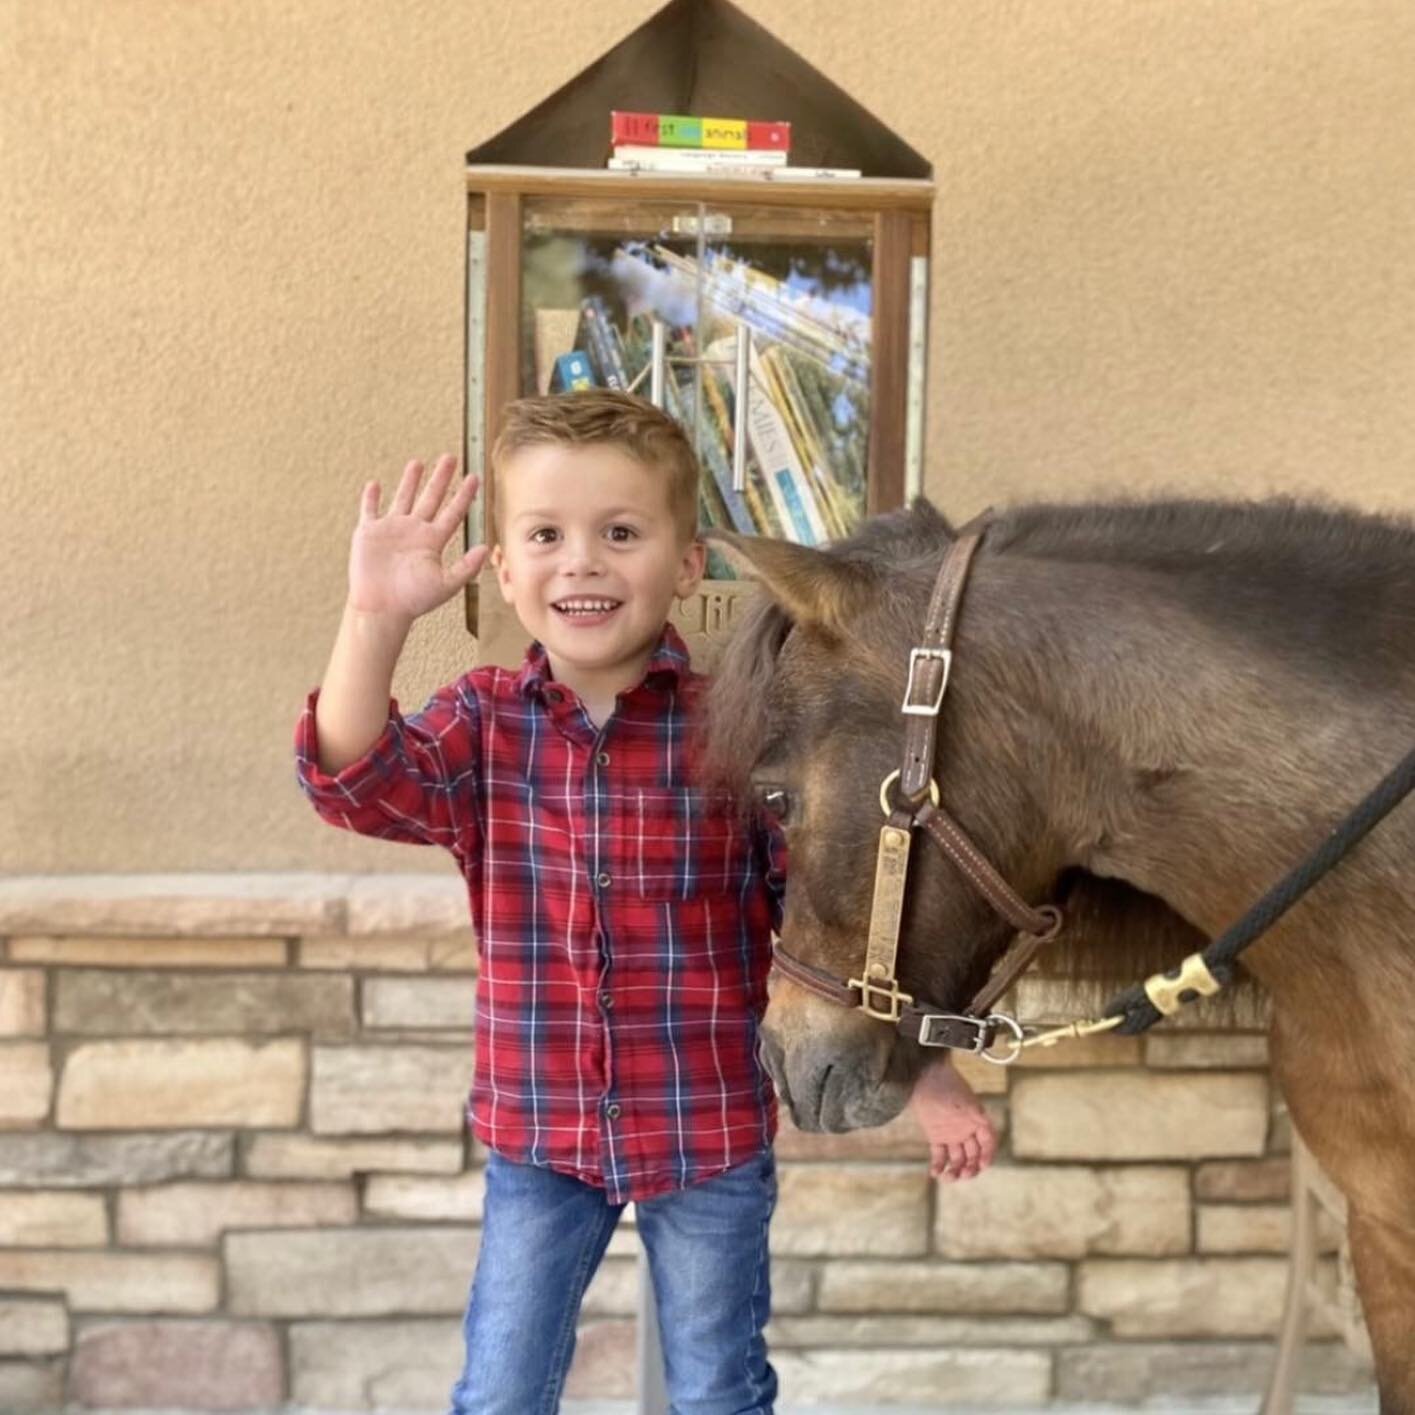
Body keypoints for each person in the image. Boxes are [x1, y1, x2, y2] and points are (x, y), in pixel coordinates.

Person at [295, 390, 996, 1415]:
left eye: (619, 532)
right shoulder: (484, 724)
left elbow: (814, 919)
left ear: (685, 564)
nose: (580, 560)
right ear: (501, 566)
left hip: (707, 1130)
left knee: (717, 1387)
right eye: (545, 533)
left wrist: (922, 1072)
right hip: (541, 1137)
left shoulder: (739, 732)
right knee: (499, 1389)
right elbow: (352, 779)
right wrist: (374, 617)